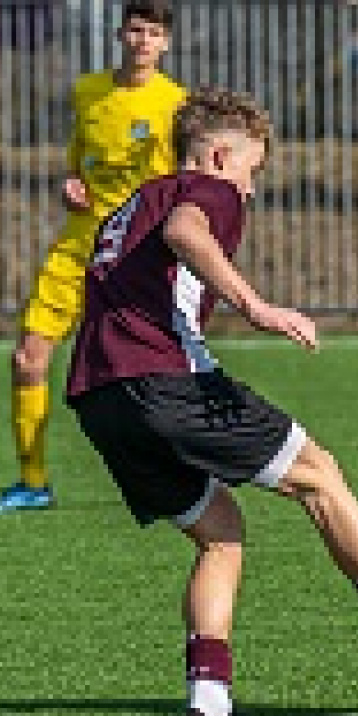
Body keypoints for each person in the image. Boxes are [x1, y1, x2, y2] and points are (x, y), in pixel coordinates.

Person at [65, 87, 358, 716]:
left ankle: (208, 708)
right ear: (216, 154)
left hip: (100, 399)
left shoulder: (132, 204)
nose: (252, 191)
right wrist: (257, 306)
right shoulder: (207, 191)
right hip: (165, 379)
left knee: (221, 532)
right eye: (251, 171)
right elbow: (187, 233)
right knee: (319, 474)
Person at [1, 0, 185, 512]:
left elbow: (180, 185)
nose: (142, 40)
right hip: (78, 245)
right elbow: (80, 164)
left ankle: (181, 470)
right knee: (27, 360)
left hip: (135, 256)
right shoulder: (88, 91)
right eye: (135, 30)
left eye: (153, 33)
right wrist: (73, 187)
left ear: (165, 43)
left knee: (153, 374)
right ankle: (33, 483)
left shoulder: (177, 104)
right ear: (120, 35)